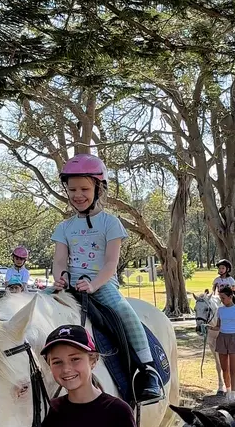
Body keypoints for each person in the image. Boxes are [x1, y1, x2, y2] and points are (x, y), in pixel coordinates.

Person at [52, 155, 162, 404]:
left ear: (98, 189)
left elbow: (111, 263)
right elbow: (60, 260)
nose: (77, 195)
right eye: (72, 189)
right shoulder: (64, 227)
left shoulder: (110, 223)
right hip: (69, 285)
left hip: (101, 283)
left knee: (123, 311)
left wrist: (93, 284)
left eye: (84, 189)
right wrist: (60, 278)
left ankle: (146, 370)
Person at [211, 285, 235, 399]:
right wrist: (208, 327)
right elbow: (218, 326)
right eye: (220, 298)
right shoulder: (220, 310)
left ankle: (233, 393)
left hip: (233, 338)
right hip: (222, 338)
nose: (222, 300)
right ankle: (228, 389)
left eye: (223, 298)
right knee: (224, 368)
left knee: (233, 369)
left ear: (230, 297)